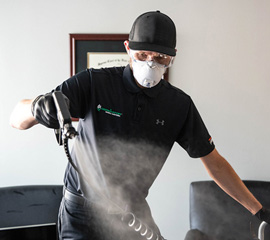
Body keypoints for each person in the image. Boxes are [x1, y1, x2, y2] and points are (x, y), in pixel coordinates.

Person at [10, 10, 270, 240]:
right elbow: (16, 119)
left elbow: (214, 162)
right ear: (127, 48)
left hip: (133, 212)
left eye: (160, 58)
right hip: (81, 212)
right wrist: (35, 108)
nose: (150, 63)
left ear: (173, 58)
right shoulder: (93, 83)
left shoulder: (179, 105)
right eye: (142, 54)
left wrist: (259, 210)